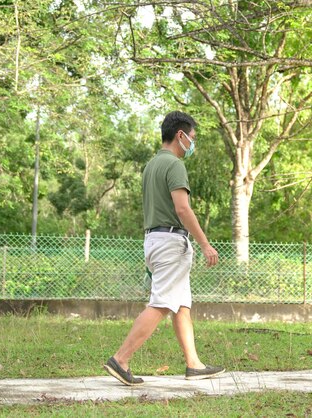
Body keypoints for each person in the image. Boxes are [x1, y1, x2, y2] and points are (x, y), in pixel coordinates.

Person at [104, 110, 225, 385]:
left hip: (154, 239)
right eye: (192, 138)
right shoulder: (174, 165)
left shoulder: (151, 165)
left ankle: (193, 364)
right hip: (171, 241)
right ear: (180, 135)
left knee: (181, 304)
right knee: (161, 304)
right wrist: (205, 244)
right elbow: (182, 208)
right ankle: (120, 359)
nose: (192, 144)